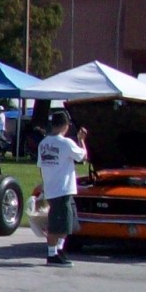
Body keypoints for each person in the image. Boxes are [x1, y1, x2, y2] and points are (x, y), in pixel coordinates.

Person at [36, 108, 88, 267]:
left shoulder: (43, 143)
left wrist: (44, 183)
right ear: (65, 125)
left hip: (56, 188)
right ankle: (51, 255)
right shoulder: (66, 143)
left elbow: (40, 166)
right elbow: (83, 156)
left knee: (68, 223)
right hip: (62, 189)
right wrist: (82, 140)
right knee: (57, 224)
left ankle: (58, 250)